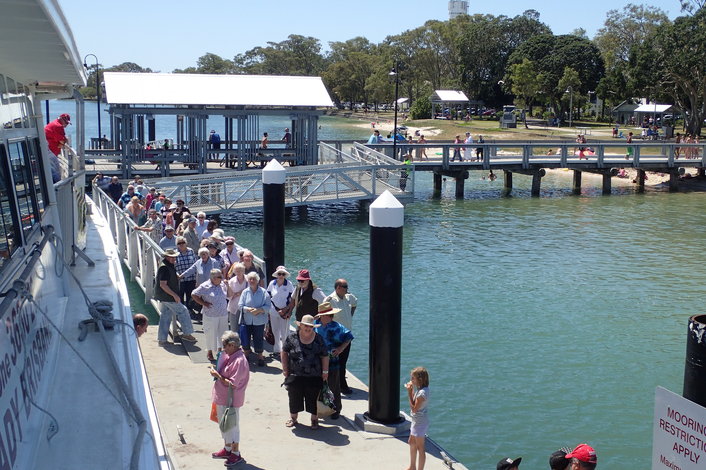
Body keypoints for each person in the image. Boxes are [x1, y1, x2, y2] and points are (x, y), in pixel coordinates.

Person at [281, 314, 329, 430]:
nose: (308, 328)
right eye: (305, 326)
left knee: (313, 397)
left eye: (310, 326)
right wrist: (285, 369)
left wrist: (325, 371)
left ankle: (314, 419)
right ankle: (293, 418)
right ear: (301, 326)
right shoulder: (292, 337)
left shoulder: (318, 339)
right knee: (293, 396)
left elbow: (324, 356)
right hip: (295, 374)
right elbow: (284, 352)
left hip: (314, 375)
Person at [209, 331, 249, 466]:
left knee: (233, 427)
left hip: (231, 400)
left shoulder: (239, 361)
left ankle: (236, 454)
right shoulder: (230, 356)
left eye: (225, 346)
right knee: (224, 425)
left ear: (232, 345)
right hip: (223, 398)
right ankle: (227, 449)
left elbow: (232, 383)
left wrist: (217, 375)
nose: (223, 349)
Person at [314, 302, 353, 419]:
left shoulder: (337, 327)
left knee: (333, 386)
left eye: (329, 315)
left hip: (332, 361)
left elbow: (349, 337)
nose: (328, 317)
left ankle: (336, 409)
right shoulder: (314, 325)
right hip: (317, 361)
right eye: (326, 315)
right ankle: (319, 408)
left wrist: (340, 349)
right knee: (317, 386)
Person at [154, 249, 197, 346]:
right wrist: (175, 295)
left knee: (165, 316)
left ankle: (162, 340)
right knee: (183, 310)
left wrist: (176, 275)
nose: (174, 259)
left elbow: (167, 279)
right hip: (167, 296)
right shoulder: (164, 268)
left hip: (164, 296)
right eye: (172, 257)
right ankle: (187, 333)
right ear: (167, 257)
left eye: (174, 257)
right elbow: (163, 285)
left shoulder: (168, 266)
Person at [324, 279, 357, 394]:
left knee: (343, 362)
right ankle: (340, 385)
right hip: (335, 337)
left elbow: (354, 304)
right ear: (338, 287)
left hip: (346, 336)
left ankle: (339, 384)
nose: (347, 288)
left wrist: (350, 315)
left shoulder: (349, 297)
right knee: (335, 362)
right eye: (345, 286)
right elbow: (324, 316)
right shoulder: (330, 300)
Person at [192, 269, 231, 362]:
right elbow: (194, 294)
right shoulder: (205, 286)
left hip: (223, 313)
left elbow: (229, 296)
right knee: (210, 334)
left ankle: (220, 351)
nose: (221, 278)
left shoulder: (222, 284)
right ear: (213, 278)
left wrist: (228, 285)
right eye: (219, 277)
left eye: (221, 276)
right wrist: (203, 303)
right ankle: (209, 351)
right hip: (211, 314)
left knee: (223, 333)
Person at [238, 272, 270, 367]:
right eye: (250, 279)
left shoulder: (264, 292)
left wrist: (259, 310)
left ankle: (260, 356)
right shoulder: (245, 292)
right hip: (247, 320)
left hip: (259, 321)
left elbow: (268, 306)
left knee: (258, 338)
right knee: (245, 338)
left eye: (254, 279)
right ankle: (246, 355)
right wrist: (247, 309)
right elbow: (240, 306)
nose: (252, 281)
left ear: (258, 281)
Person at [266, 266, 295, 359]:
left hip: (285, 313)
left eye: (283, 274)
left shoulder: (289, 284)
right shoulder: (272, 283)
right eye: (279, 274)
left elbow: (293, 300)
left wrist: (287, 310)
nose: (281, 276)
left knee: (285, 332)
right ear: (276, 275)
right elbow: (268, 296)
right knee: (275, 331)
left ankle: (285, 351)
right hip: (273, 312)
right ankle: (277, 350)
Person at [405, 367, 430, 470]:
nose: (411, 380)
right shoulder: (421, 390)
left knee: (420, 447)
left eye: (413, 378)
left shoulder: (422, 393)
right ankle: (412, 466)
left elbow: (414, 409)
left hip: (420, 423)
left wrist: (410, 392)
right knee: (411, 442)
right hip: (416, 421)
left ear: (419, 380)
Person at [174, 236, 196, 308]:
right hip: (180, 279)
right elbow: (173, 266)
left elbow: (195, 264)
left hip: (191, 278)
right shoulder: (175, 253)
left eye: (183, 242)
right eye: (179, 243)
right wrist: (176, 274)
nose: (181, 244)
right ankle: (181, 310)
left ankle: (189, 310)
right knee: (180, 295)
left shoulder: (191, 251)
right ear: (177, 244)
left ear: (186, 243)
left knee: (190, 295)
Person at [227, 262, 248, 331]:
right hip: (234, 307)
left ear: (243, 271)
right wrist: (239, 293)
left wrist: (237, 293)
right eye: (237, 271)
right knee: (234, 328)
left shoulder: (249, 279)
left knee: (245, 328)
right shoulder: (231, 281)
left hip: (246, 307)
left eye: (240, 270)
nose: (238, 272)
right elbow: (229, 295)